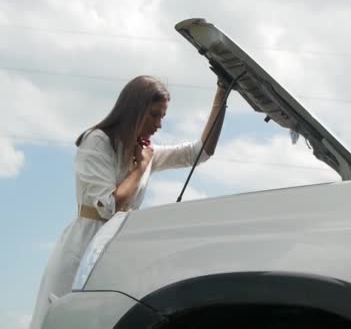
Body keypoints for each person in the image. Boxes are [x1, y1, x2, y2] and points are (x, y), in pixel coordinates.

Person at [29, 75, 228, 329]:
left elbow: (200, 152)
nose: (159, 125)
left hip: (116, 252)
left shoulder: (144, 151)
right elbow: (109, 205)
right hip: (82, 250)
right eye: (154, 115)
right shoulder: (98, 141)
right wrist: (141, 167)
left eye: (163, 116)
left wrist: (221, 95)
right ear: (135, 110)